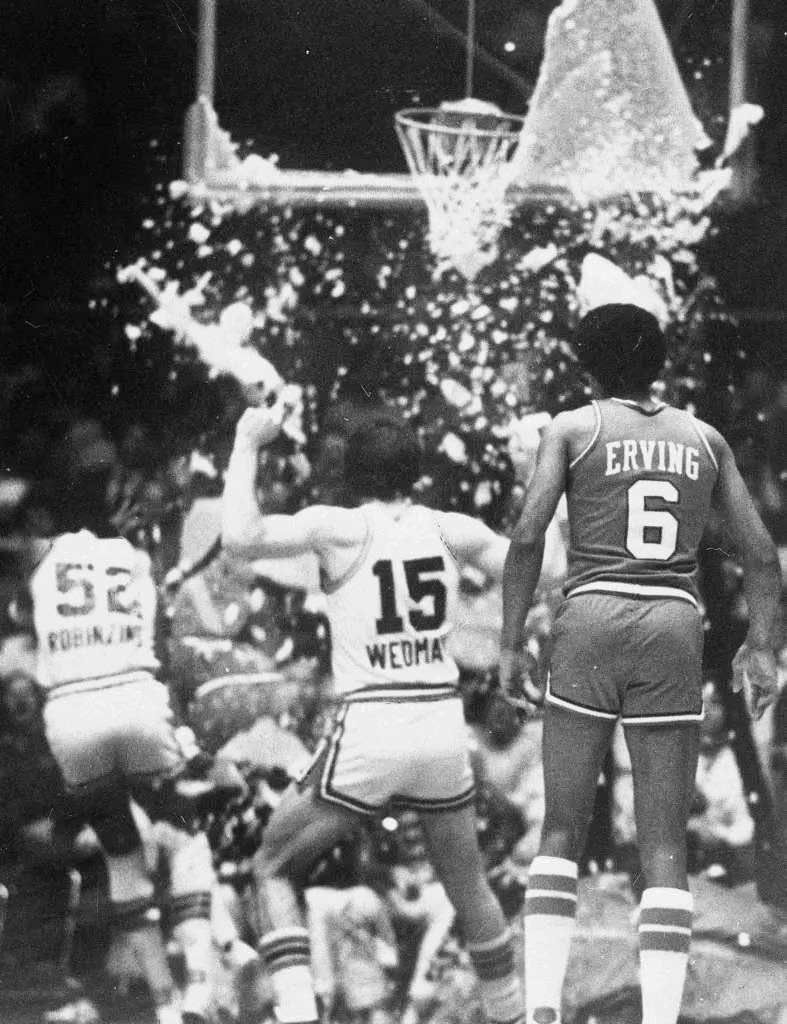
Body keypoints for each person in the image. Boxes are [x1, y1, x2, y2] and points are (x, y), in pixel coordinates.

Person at [499, 303, 782, 1024]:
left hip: (591, 618)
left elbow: (528, 536)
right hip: (671, 626)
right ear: (661, 363)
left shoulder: (571, 428)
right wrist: (760, 647)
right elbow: (758, 555)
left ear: (585, 366)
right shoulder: (704, 438)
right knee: (664, 847)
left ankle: (541, 1007)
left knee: (561, 827)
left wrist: (507, 641)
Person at [222, 405, 525, 1024]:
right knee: (470, 890)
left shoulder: (338, 525)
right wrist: (536, 474)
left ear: (349, 475)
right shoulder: (451, 528)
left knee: (272, 868)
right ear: (416, 475)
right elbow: (548, 569)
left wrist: (247, 442)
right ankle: (513, 1015)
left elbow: (239, 539)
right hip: (440, 725)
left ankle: (299, 1014)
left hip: (373, 720)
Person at [26, 522, 237, 1024]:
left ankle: (167, 1002)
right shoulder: (136, 560)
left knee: (126, 854)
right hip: (132, 707)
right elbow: (158, 655)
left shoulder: (41, 561)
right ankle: (199, 991)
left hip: (73, 722)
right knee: (185, 838)